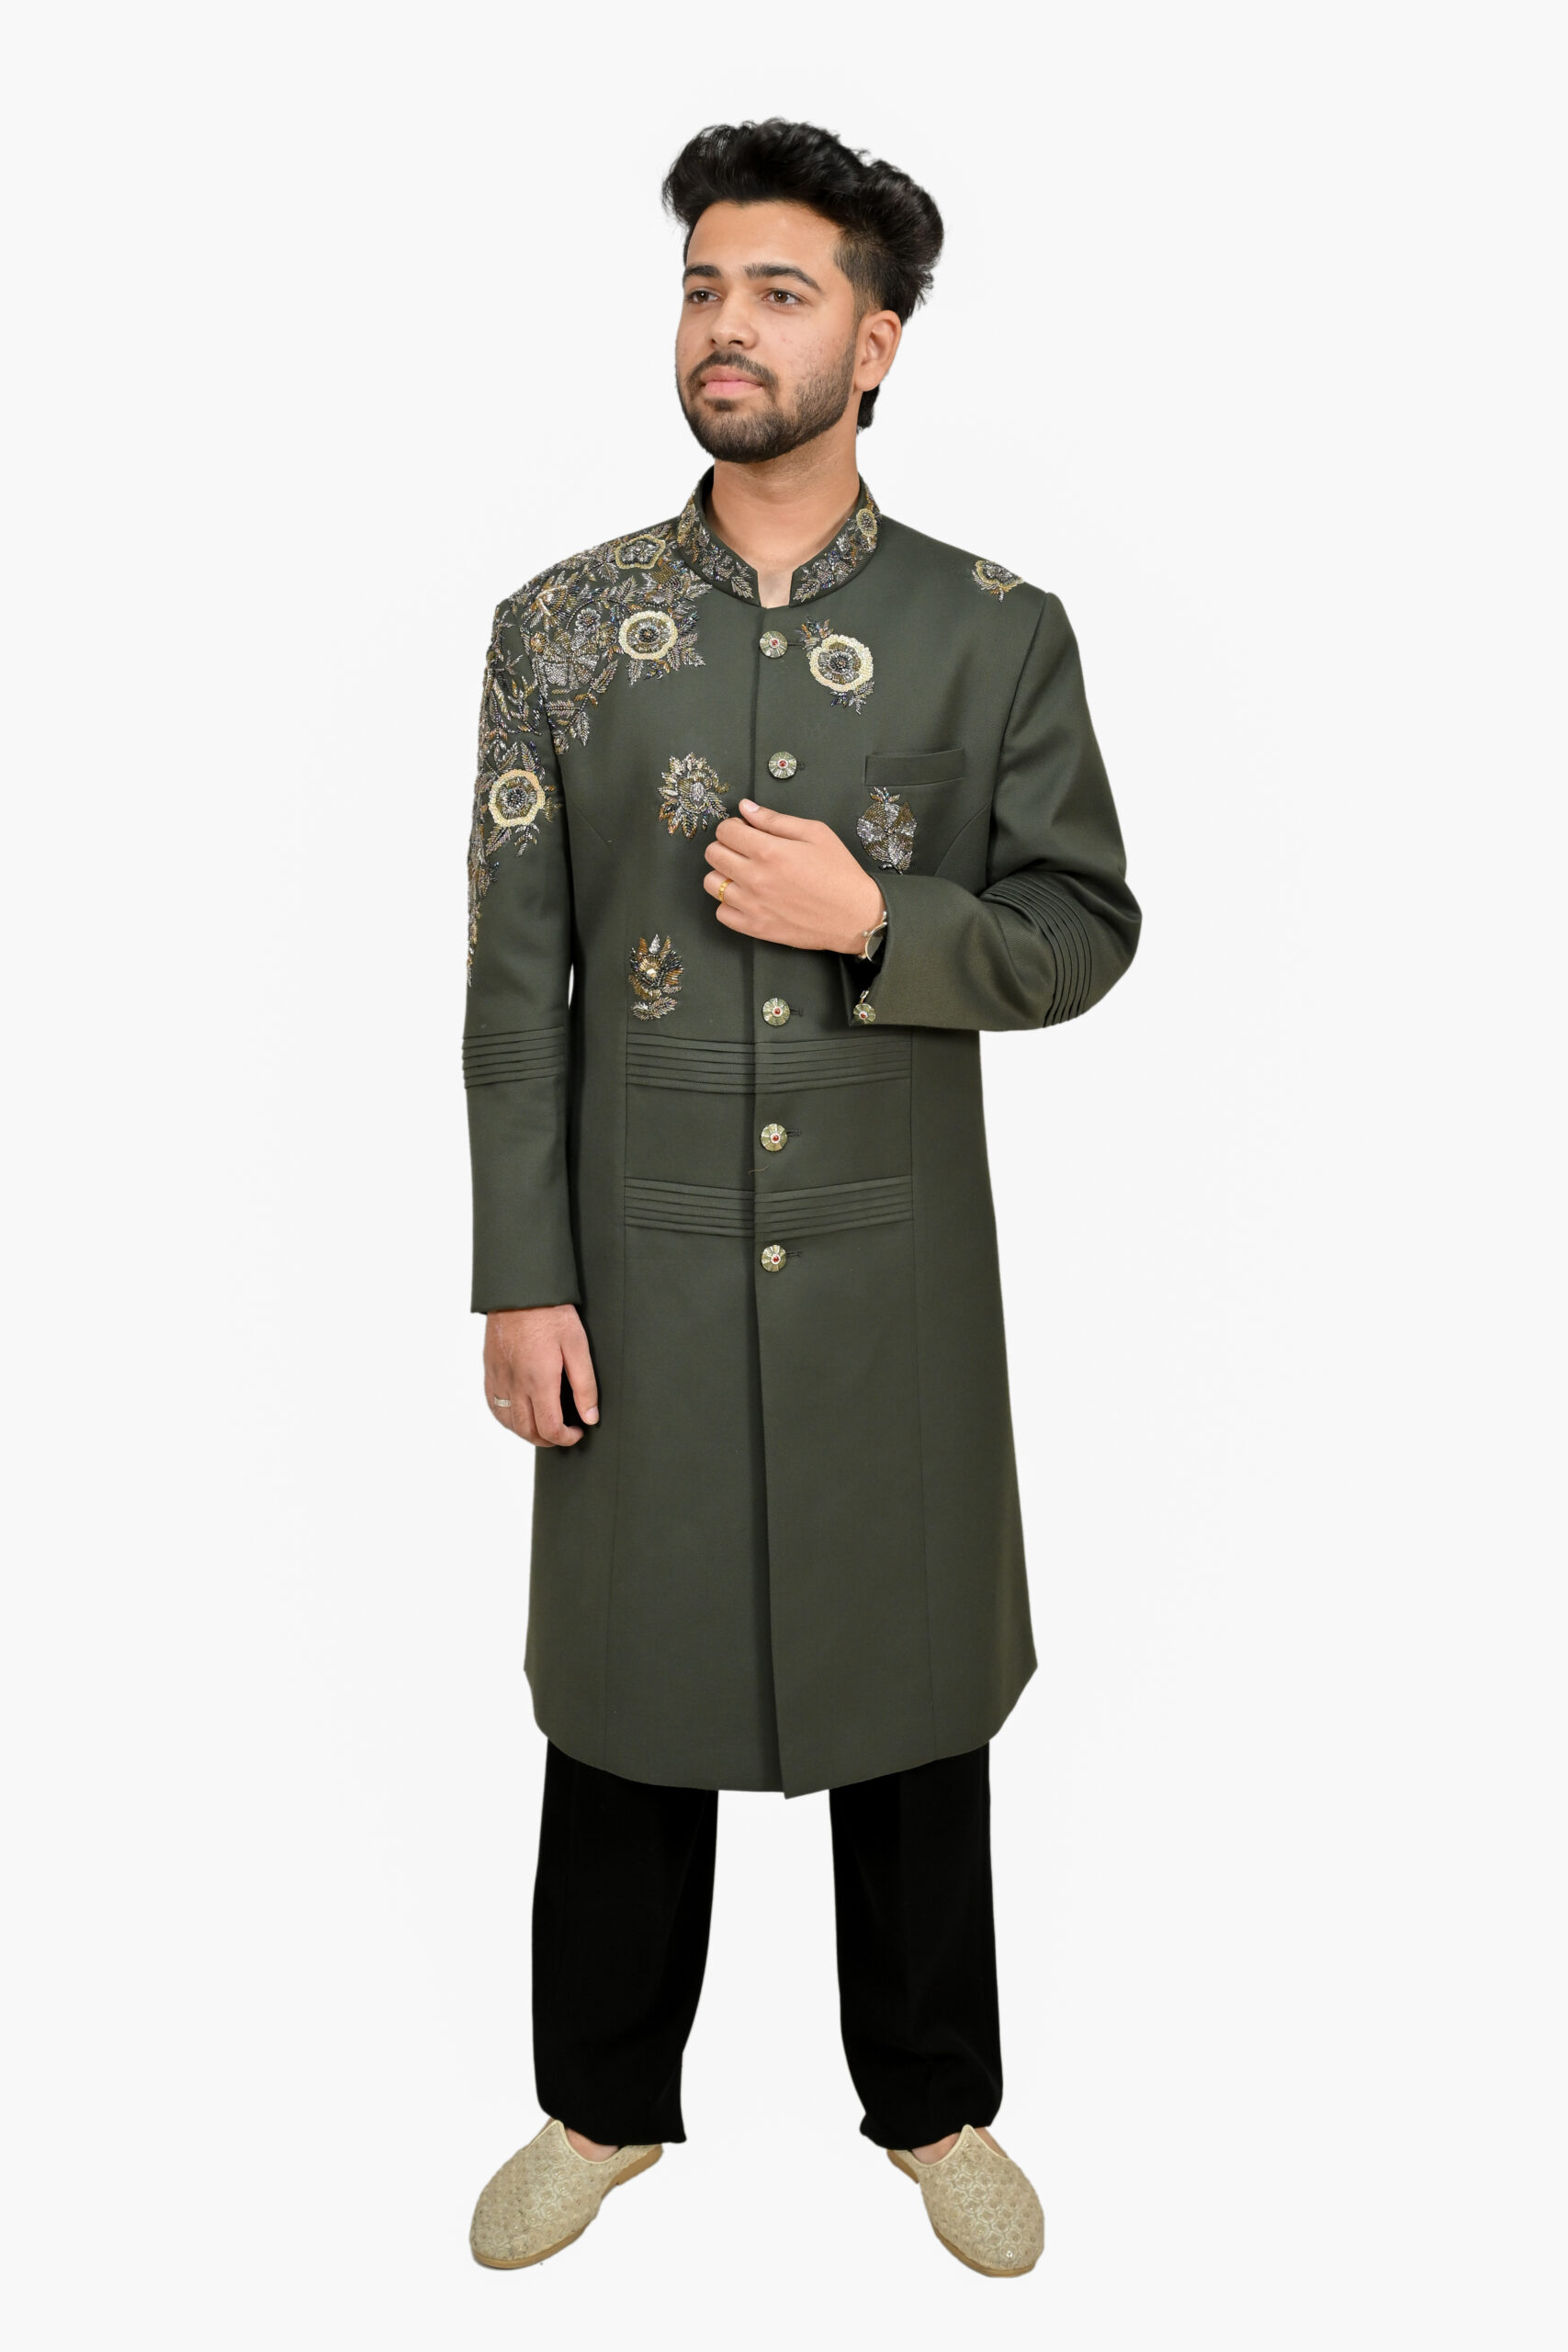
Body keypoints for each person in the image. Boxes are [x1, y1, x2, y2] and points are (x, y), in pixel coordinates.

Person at [462, 117, 1140, 2280]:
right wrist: (519, 1277)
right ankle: (597, 2103)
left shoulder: (991, 632)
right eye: (701, 287)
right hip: (635, 1259)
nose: (725, 329)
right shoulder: (561, 630)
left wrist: (878, 919)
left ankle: (933, 2103)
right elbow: (514, 989)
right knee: (622, 1687)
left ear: (877, 338)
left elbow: (1082, 926)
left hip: (889, 1268)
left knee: (910, 1687)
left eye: (777, 291)